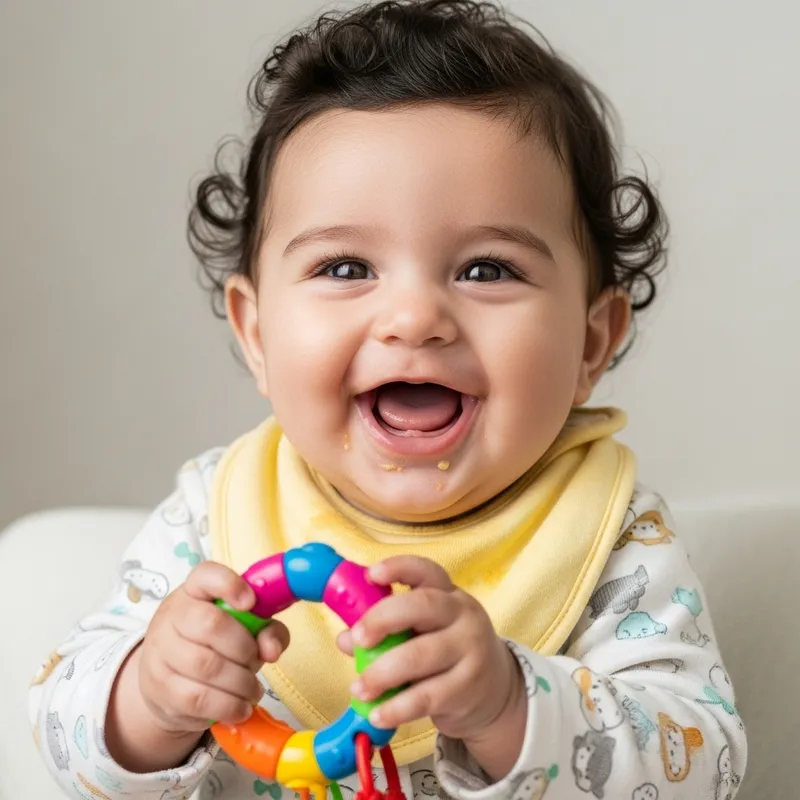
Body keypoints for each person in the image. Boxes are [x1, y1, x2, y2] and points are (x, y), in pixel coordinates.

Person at [29, 2, 747, 798]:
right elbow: (60, 725)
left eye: (486, 269)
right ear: (257, 331)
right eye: (345, 268)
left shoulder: (616, 540)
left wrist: (508, 703)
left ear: (590, 341)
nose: (413, 318)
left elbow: (703, 766)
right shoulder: (215, 514)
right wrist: (149, 697)